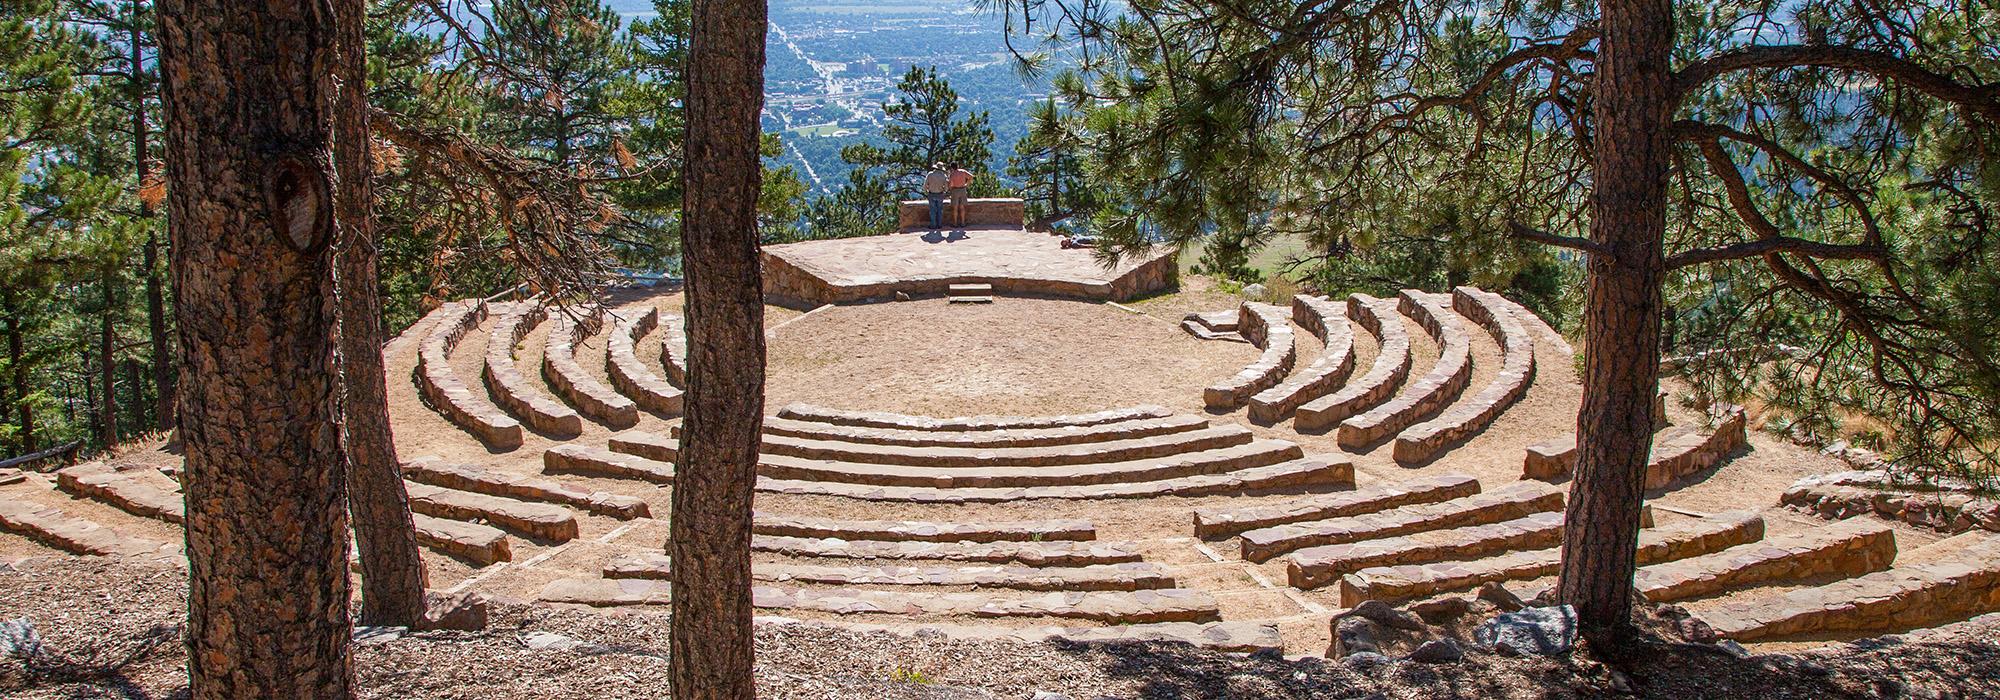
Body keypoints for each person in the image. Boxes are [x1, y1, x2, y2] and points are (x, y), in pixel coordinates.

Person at [922, 162, 950, 230]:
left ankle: (933, 225)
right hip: (940, 194)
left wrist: (926, 191)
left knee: (932, 210)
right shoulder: (943, 176)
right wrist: (944, 192)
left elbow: (925, 185)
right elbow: (946, 187)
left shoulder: (930, 174)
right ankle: (939, 225)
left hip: (931, 194)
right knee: (940, 210)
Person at [947, 162, 974, 228]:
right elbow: (971, 176)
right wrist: (967, 184)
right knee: (962, 207)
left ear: (952, 168)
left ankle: (955, 223)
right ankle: (963, 223)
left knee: (955, 207)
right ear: (957, 166)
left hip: (955, 190)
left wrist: (950, 189)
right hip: (962, 189)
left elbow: (950, 184)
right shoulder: (963, 172)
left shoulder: (952, 174)